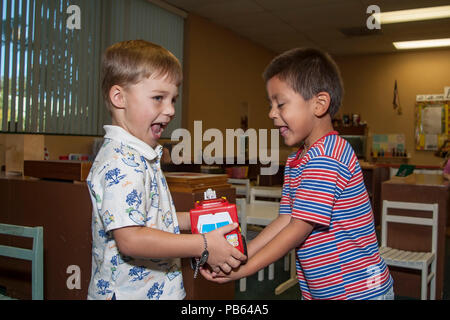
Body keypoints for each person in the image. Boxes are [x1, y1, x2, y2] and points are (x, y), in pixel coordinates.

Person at [201, 48, 394, 300]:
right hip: (321, 290)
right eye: (270, 105)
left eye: (280, 104)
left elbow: (297, 229)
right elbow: (285, 220)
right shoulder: (298, 159)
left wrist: (244, 269)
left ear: (319, 104)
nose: (271, 113)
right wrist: (242, 253)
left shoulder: (327, 155)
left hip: (358, 292)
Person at [86, 40, 246, 300]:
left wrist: (199, 221)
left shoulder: (139, 156)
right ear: (119, 98)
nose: (170, 110)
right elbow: (131, 239)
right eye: (158, 98)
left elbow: (154, 219)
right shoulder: (120, 162)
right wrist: (203, 245)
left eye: (173, 99)